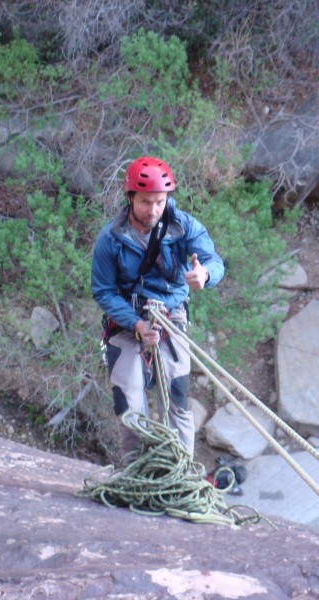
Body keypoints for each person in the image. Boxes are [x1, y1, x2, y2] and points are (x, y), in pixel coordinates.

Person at [91, 156, 224, 459]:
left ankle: (181, 472)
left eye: (159, 202)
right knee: (129, 397)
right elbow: (103, 290)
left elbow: (214, 260)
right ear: (130, 199)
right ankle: (135, 470)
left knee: (175, 395)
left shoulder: (183, 227)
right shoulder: (111, 239)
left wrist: (204, 274)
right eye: (145, 202)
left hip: (171, 316)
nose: (152, 210)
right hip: (126, 320)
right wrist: (135, 324)